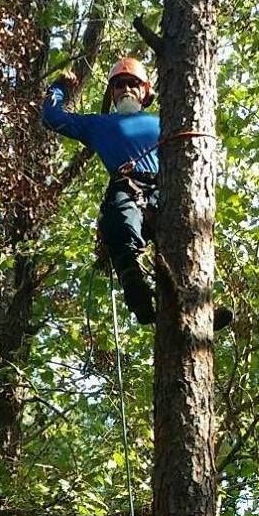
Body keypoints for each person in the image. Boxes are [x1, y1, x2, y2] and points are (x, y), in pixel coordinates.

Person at [41, 57, 232, 330]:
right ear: (112, 92)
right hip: (127, 187)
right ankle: (137, 292)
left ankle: (200, 308)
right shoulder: (98, 124)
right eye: (119, 84)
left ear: (145, 91)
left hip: (165, 190)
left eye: (133, 83)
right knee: (119, 222)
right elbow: (51, 117)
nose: (126, 88)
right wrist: (60, 87)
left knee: (185, 239)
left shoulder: (165, 122)